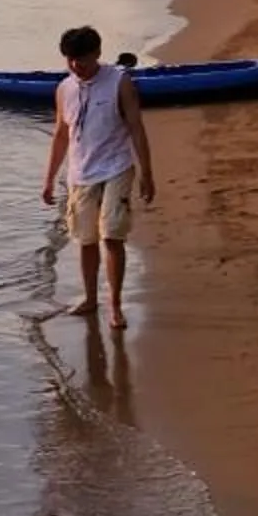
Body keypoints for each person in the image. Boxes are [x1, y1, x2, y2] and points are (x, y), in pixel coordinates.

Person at [40, 25, 156, 329]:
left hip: (117, 166)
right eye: (70, 60)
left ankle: (114, 305)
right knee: (85, 237)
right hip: (81, 173)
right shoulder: (64, 88)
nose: (77, 66)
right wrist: (49, 178)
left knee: (112, 234)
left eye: (82, 59)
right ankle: (90, 298)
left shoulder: (119, 82)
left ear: (97, 54)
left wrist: (147, 173)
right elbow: (61, 134)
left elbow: (136, 128)